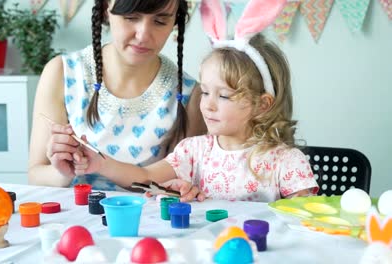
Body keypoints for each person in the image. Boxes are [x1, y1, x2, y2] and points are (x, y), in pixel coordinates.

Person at [77, 33, 319, 202]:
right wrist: (100, 164)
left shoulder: (285, 161)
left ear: (262, 105)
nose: (208, 105)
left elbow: (305, 221)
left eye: (224, 96)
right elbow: (145, 178)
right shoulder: (193, 152)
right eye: (205, 92)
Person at [28, 0, 206, 189]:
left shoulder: (190, 95)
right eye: (130, 17)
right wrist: (63, 172)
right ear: (106, 9)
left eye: (160, 21)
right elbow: (36, 174)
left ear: (175, 22)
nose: (143, 35)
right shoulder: (62, 73)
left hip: (144, 217)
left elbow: (174, 185)